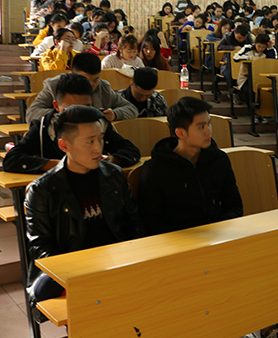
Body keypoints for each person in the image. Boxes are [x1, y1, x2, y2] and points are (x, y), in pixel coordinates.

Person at [24, 105, 143, 317]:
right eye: (90, 141)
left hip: (117, 260)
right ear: (64, 145)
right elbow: (40, 247)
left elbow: (134, 223)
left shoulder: (114, 175)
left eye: (101, 139)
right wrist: (79, 273)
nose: (99, 149)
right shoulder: (42, 190)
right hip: (71, 269)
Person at [138, 96, 243, 234]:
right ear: (180, 133)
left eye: (209, 124)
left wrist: (220, 229)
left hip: (217, 234)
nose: (209, 131)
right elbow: (151, 221)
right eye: (201, 127)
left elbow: (234, 204)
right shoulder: (155, 169)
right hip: (177, 240)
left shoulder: (219, 159)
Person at [4, 74, 141, 173]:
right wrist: (63, 165)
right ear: (56, 106)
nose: (80, 116)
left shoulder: (99, 124)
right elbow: (12, 160)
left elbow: (131, 151)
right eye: (70, 109)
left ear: (92, 102)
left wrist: (110, 160)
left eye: (86, 107)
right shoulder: (43, 127)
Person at [27, 53, 138, 122]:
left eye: (95, 80)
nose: (91, 85)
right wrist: (66, 115)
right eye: (85, 79)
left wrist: (115, 114)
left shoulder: (103, 87)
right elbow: (32, 113)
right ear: (72, 74)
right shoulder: (54, 86)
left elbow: (132, 109)